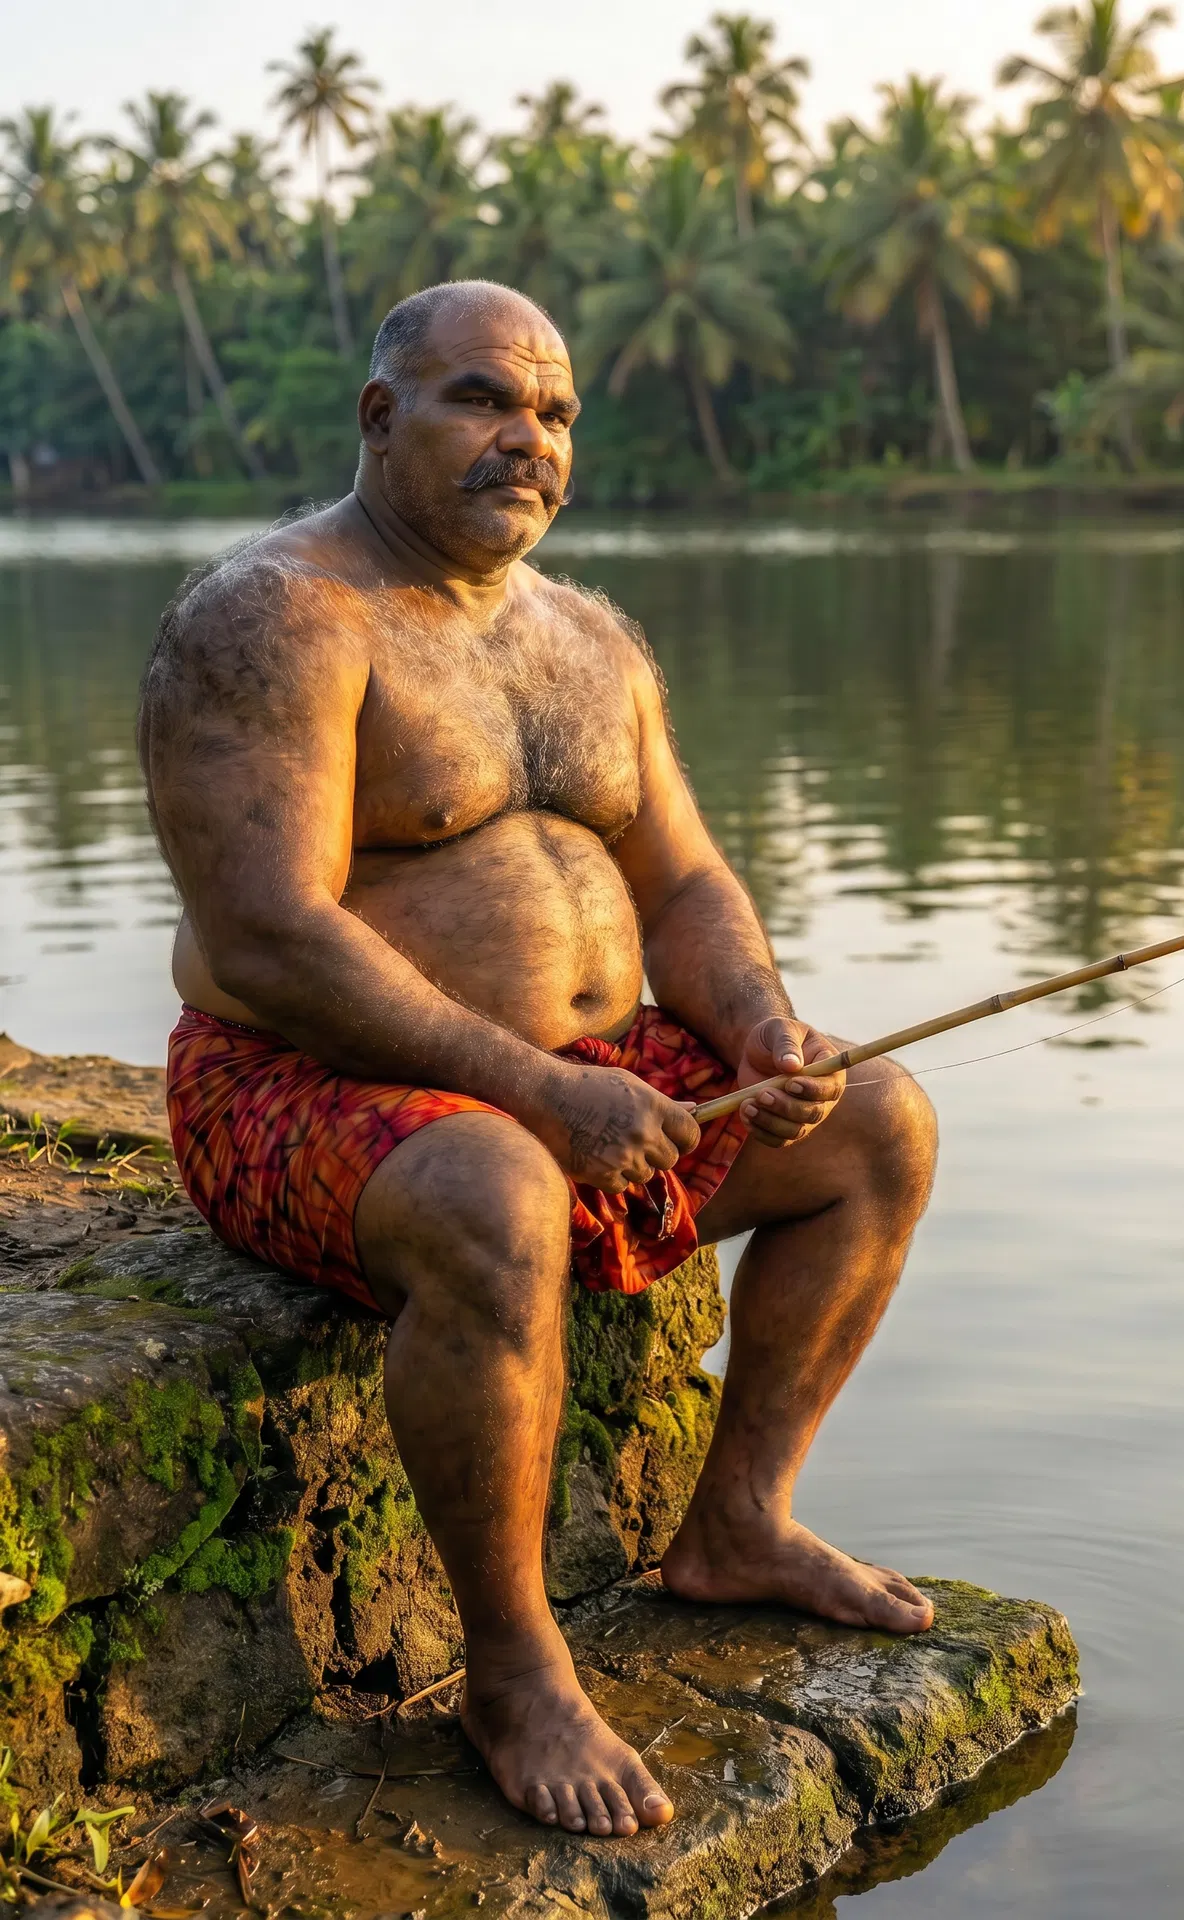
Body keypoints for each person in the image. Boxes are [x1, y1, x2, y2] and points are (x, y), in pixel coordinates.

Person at [138, 279, 938, 1842]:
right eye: (482, 401)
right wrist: (540, 1091)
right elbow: (269, 938)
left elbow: (688, 885)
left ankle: (738, 1525)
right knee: (502, 1191)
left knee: (877, 1124)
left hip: (591, 1070)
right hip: (305, 1083)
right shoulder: (275, 616)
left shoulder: (590, 640)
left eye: (554, 412)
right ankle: (513, 1671)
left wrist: (757, 1029)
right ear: (382, 417)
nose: (528, 440)